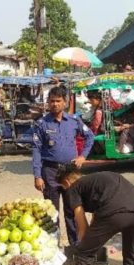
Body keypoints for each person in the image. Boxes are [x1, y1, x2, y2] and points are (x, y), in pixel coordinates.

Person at [32, 86, 95, 245]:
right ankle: (54, 244)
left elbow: (90, 137)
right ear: (48, 102)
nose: (55, 104)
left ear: (65, 103)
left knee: (72, 209)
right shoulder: (41, 124)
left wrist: (83, 156)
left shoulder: (74, 121)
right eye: (52, 101)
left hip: (70, 172)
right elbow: (36, 150)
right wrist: (37, 175)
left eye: (58, 101)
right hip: (50, 171)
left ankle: (74, 244)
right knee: (51, 212)